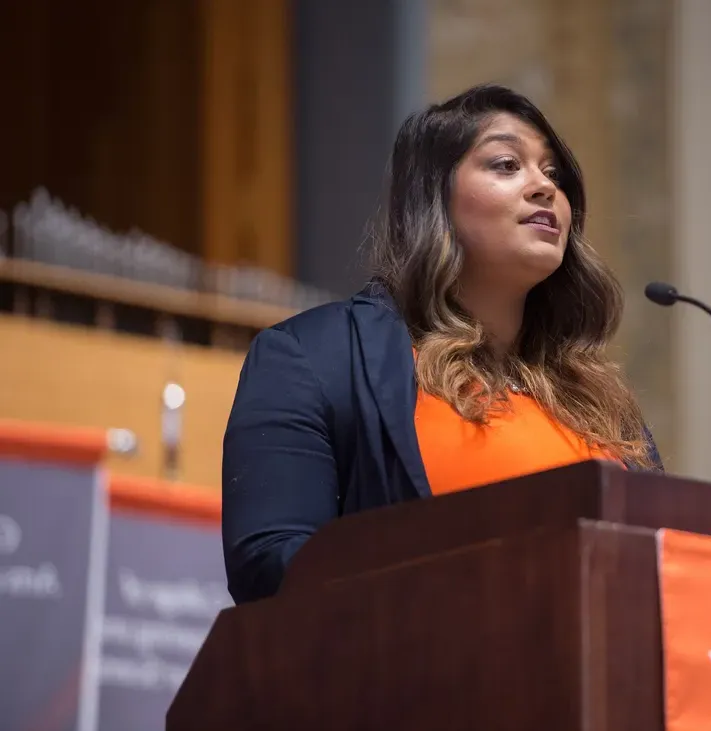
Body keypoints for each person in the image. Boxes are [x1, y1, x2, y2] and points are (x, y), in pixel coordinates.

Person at [220, 83, 664, 605]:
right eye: (505, 164)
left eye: (553, 174)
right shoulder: (315, 357)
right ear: (434, 196)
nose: (544, 188)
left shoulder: (604, 405)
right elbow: (270, 563)